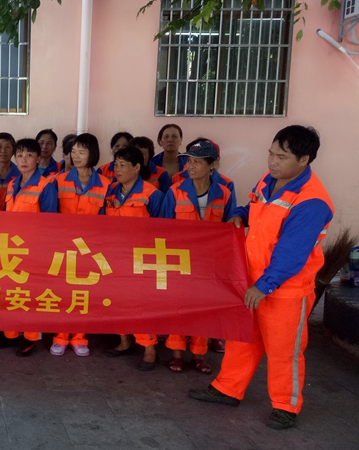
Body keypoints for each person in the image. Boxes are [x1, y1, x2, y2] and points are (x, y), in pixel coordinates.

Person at [189, 126, 334, 431]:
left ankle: (285, 406)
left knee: (284, 351)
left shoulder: (311, 201)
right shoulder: (269, 180)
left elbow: (291, 253)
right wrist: (240, 214)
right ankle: (227, 389)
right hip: (252, 280)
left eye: (281, 156)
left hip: (285, 291)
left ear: (304, 159)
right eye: (271, 153)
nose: (272, 161)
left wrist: (264, 285)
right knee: (242, 339)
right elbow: (255, 208)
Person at [158, 141, 236, 375]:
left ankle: (199, 354)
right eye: (189, 161)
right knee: (179, 306)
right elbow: (163, 227)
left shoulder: (224, 194)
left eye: (197, 162)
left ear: (212, 165)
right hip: (179, 261)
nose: (190, 166)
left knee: (204, 308)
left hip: (209, 263)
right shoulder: (176, 191)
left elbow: (230, 229)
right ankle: (177, 353)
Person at [0, 138, 57, 356]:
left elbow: (50, 223)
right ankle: (10, 333)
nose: (24, 160)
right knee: (11, 293)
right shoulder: (13, 184)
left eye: (29, 155)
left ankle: (30, 337)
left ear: (38, 158)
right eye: (19, 155)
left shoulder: (46, 187)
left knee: (31, 295)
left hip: (33, 251)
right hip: (11, 250)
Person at [101, 146, 165, 368]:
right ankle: (124, 340)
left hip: (141, 258)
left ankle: (149, 348)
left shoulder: (152, 194)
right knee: (117, 299)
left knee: (140, 304)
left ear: (137, 167)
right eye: (116, 165)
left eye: (123, 165)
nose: (117, 170)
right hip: (114, 255)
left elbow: (162, 230)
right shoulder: (110, 191)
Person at [51, 133, 110, 356]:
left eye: (81, 152)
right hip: (63, 247)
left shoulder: (105, 185)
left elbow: (106, 219)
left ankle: (79, 337)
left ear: (92, 154)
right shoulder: (58, 181)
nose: (75, 156)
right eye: (73, 152)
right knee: (62, 293)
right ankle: (60, 336)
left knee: (84, 294)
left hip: (90, 249)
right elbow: (50, 216)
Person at [0, 132, 19, 211]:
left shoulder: (21, 174)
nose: (3, 151)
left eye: (7, 147)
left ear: (13, 151)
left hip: (12, 216)